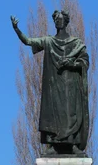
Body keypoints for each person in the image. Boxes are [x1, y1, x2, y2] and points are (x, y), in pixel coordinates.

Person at [11, 10, 89, 156]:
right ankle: (53, 144)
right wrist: (16, 29)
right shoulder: (49, 41)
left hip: (70, 86)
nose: (58, 22)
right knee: (53, 114)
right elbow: (28, 41)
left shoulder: (76, 44)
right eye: (56, 20)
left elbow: (84, 61)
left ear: (66, 21)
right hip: (53, 86)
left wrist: (71, 63)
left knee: (71, 113)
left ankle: (72, 144)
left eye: (60, 19)